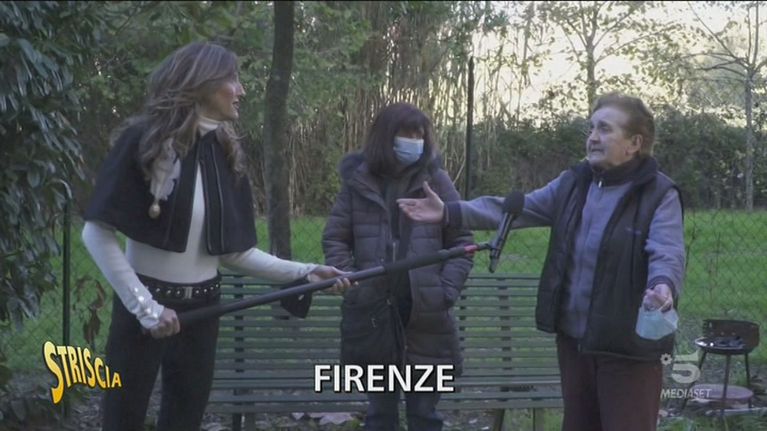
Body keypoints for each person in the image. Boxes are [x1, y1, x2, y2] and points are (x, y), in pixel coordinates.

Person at [82, 42, 349, 431]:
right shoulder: (143, 140)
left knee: (185, 421)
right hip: (143, 306)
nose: (241, 90)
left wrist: (306, 272)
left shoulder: (225, 151)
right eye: (232, 80)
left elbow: (234, 252)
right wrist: (146, 307)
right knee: (122, 419)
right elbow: (96, 231)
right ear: (202, 83)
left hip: (204, 310)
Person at [398, 93, 685, 431]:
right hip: (574, 341)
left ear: (634, 143)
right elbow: (514, 209)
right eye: (591, 128)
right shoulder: (574, 182)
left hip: (627, 347)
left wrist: (662, 285)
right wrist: (449, 211)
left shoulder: (658, 193)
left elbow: (667, 249)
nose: (593, 137)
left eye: (605, 129)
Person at [322, 102, 474, 431]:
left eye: (419, 135)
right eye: (407, 134)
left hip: (426, 315)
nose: (414, 141)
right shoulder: (357, 182)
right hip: (372, 312)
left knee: (425, 415)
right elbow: (335, 238)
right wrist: (351, 281)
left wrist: (445, 291)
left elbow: (462, 242)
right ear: (385, 136)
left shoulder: (436, 180)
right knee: (380, 416)